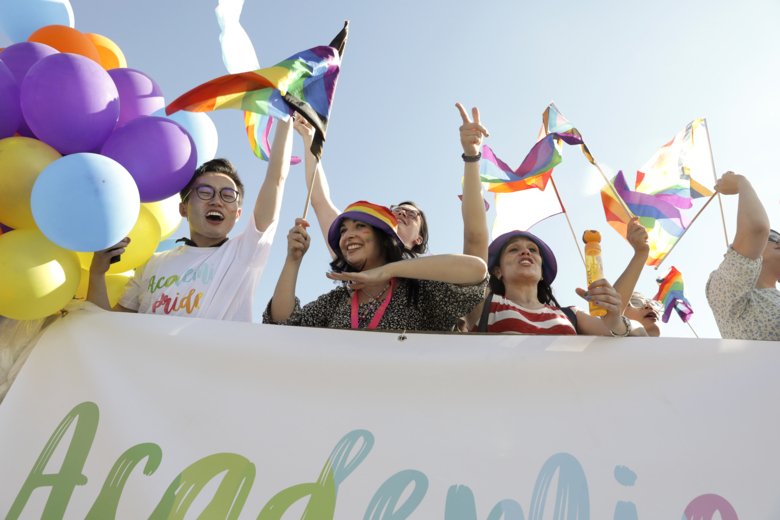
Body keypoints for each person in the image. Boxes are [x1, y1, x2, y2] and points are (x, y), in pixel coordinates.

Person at [87, 118, 295, 321]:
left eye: (228, 195)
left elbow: (276, 179)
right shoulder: (152, 263)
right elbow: (107, 330)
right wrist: (97, 273)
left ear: (238, 213)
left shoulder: (244, 253)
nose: (216, 201)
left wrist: (286, 118)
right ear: (183, 208)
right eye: (205, 192)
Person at [291, 107, 487, 258]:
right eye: (396, 210)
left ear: (418, 239)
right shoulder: (355, 257)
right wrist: (309, 139)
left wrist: (471, 156)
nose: (401, 212)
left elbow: (475, 244)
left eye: (412, 214)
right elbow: (320, 200)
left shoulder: (432, 278)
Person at [263, 201, 488, 331]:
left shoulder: (419, 291)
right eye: (343, 230)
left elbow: (476, 270)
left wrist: (387, 271)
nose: (348, 235)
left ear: (383, 238)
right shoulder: (338, 300)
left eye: (360, 226)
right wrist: (293, 260)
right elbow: (282, 325)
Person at [465, 230, 632, 336]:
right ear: (497, 271)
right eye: (513, 249)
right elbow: (474, 239)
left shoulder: (571, 315)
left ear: (542, 272)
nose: (525, 252)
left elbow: (616, 333)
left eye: (532, 250)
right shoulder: (486, 305)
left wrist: (615, 319)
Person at [706, 172, 780, 340]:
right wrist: (741, 182)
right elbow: (756, 228)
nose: (779, 242)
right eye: (773, 237)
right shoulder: (725, 291)